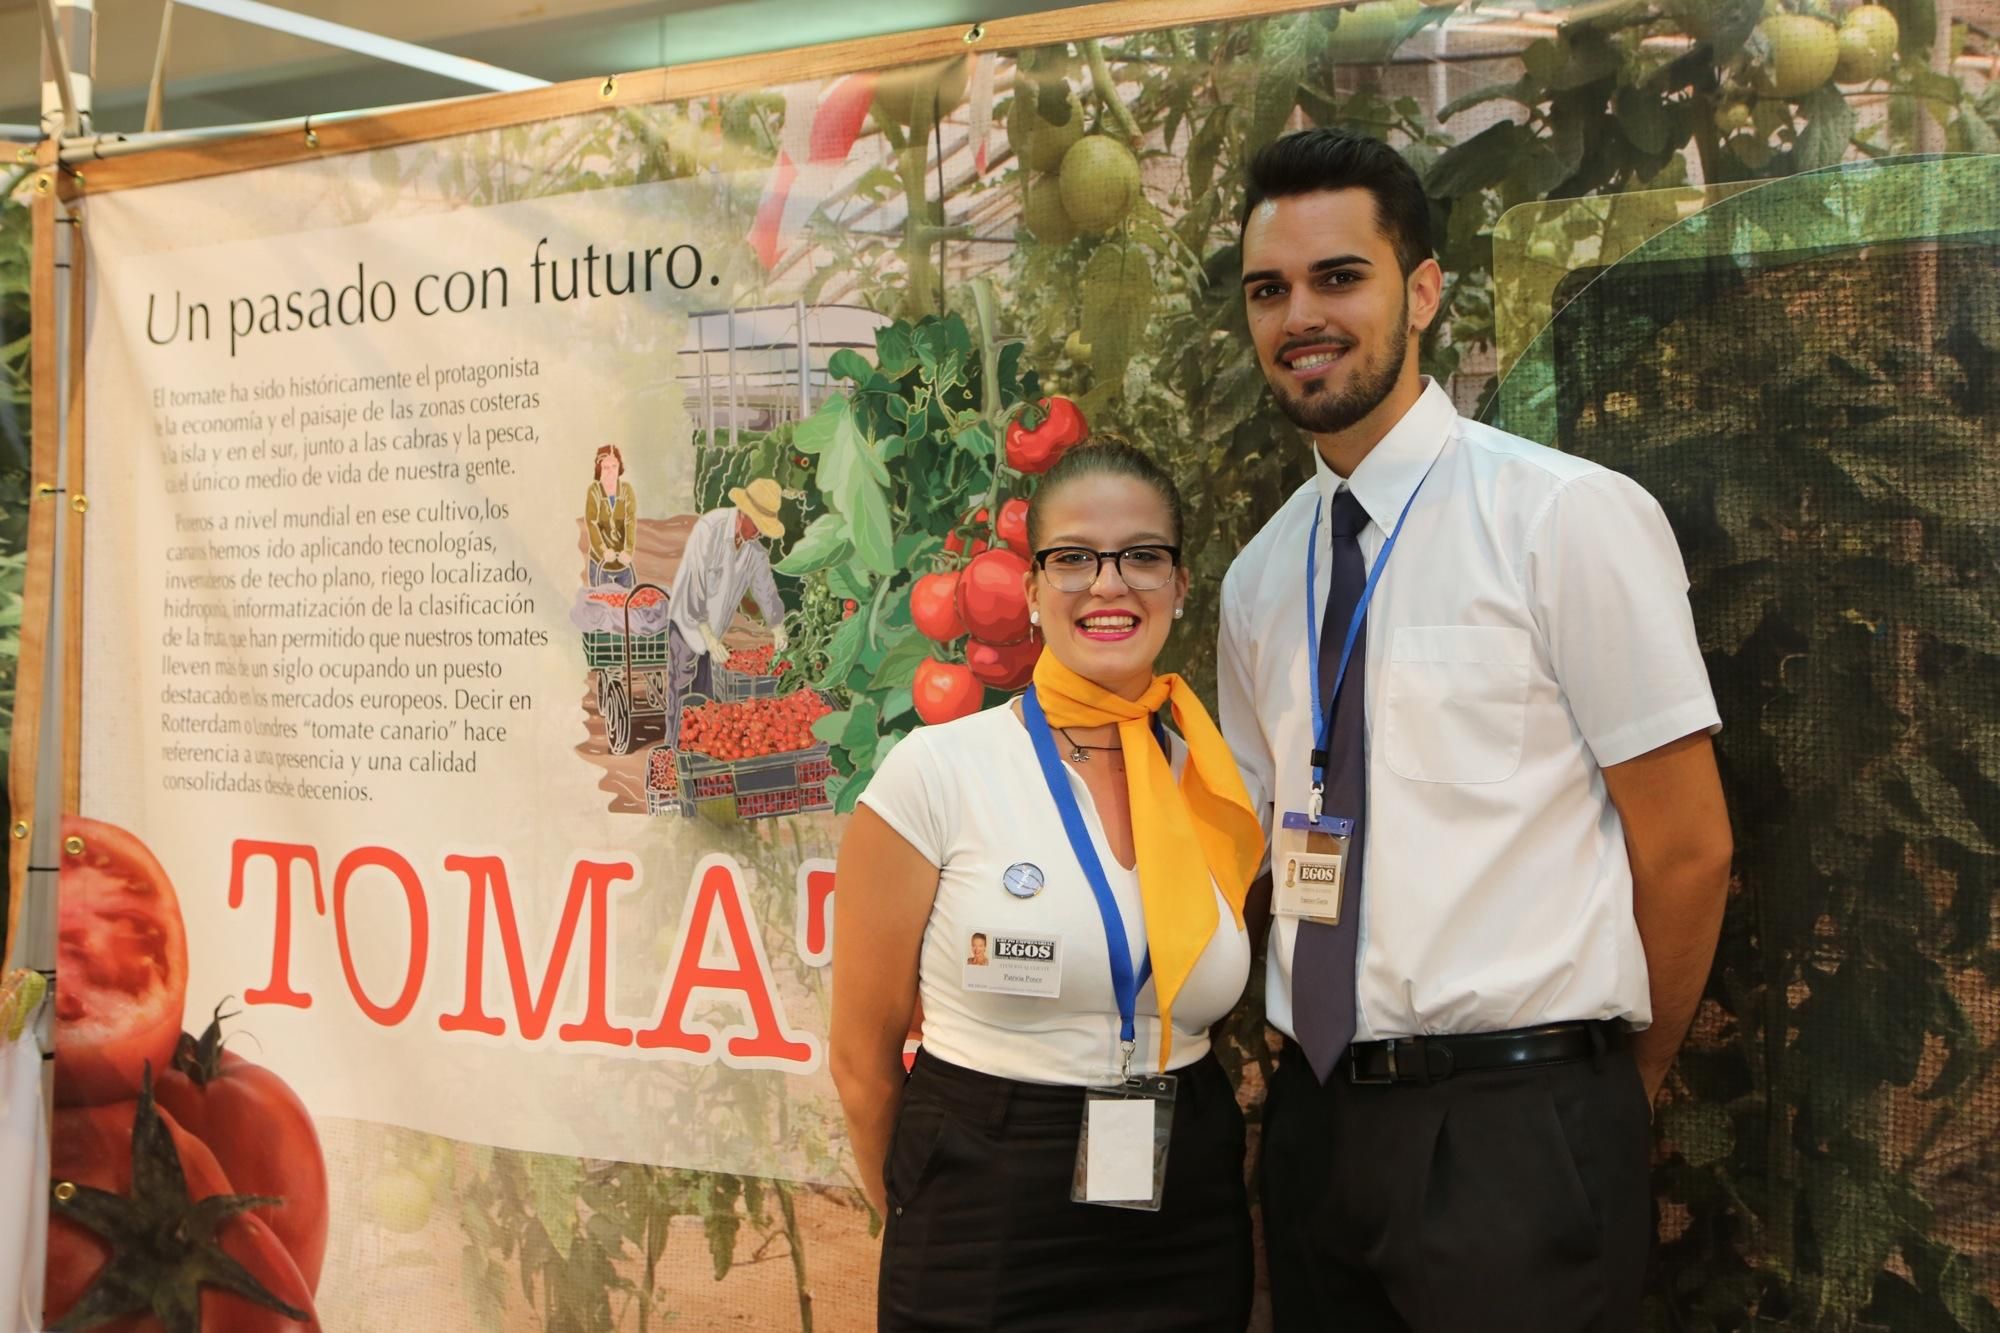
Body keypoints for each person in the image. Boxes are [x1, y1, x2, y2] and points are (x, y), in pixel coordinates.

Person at [1217, 127, 1734, 1332]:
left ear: (1424, 290)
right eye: (1268, 289)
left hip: (1517, 1123)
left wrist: (1610, 1083)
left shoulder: (1564, 519)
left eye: (1338, 276)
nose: (1302, 314)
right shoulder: (1257, 578)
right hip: (1317, 1123)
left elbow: (1688, 847)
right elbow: (1261, 839)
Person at [831, 443, 1265, 1332]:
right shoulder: (936, 772)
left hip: (1182, 1202)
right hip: (984, 1205)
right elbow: (860, 1063)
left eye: (1143, 555)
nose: (1110, 585)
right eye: (1073, 558)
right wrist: (929, 1211)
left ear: (1180, 585)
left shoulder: (1214, 785)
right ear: (1031, 590)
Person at [662, 478, 790, 749]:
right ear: (744, 513)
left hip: (715, 633)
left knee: (707, 699)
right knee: (682, 689)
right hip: (687, 623)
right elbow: (695, 583)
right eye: (758, 524)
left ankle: (698, 758)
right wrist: (705, 633)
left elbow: (765, 588)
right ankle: (675, 755)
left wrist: (777, 624)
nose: (760, 533)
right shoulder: (710, 528)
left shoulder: (755, 551)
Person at [585, 444, 637, 588]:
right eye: (606, 467)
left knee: (627, 605)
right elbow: (592, 523)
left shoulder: (626, 491)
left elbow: (630, 522)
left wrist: (628, 550)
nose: (610, 472)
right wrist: (603, 551)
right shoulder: (594, 491)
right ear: (599, 469)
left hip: (623, 565)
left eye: (614, 466)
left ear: (619, 467)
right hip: (600, 566)